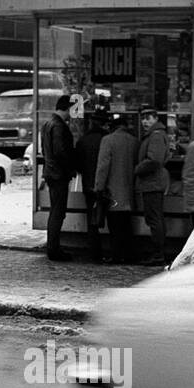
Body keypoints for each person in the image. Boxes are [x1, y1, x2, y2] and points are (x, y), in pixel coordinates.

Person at [94, 114, 138, 264]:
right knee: (127, 225)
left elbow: (103, 166)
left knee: (115, 227)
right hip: (129, 192)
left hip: (113, 191)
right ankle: (130, 254)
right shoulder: (134, 141)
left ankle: (117, 255)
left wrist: (99, 187)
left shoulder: (107, 140)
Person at [40, 93, 78, 262]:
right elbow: (60, 152)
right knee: (58, 212)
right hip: (58, 174)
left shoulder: (48, 124)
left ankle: (52, 247)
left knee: (55, 211)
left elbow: (46, 150)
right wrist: (70, 167)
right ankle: (54, 250)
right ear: (67, 108)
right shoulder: (59, 126)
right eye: (72, 109)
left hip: (50, 172)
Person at [133, 107, 170, 266]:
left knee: (154, 219)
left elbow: (154, 160)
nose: (145, 122)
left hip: (152, 182)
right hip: (152, 182)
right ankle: (158, 253)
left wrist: (137, 169)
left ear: (156, 118)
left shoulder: (155, 136)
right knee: (155, 218)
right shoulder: (156, 135)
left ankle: (158, 254)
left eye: (148, 118)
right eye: (143, 118)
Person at [75, 111, 109, 262]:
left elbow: (78, 165)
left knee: (92, 220)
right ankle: (116, 251)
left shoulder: (84, 140)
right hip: (108, 184)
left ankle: (95, 252)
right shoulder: (107, 139)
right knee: (114, 219)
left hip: (89, 185)